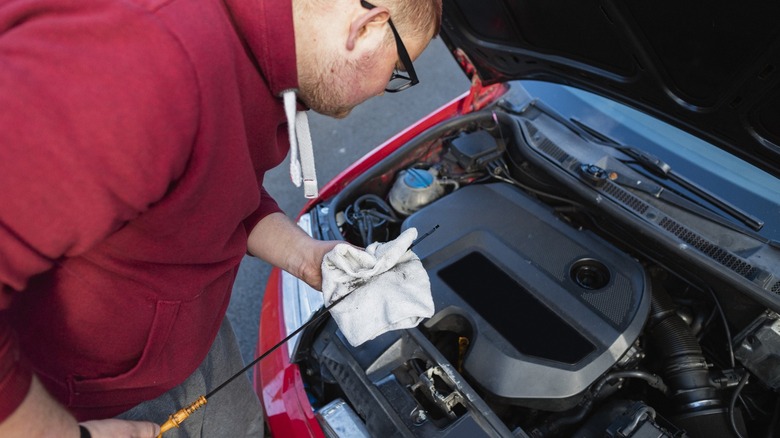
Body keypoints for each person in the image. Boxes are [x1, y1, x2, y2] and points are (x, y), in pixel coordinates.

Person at [0, 0, 442, 435]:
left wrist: (308, 258)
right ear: (367, 26)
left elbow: (217, 192)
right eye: (399, 70)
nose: (388, 85)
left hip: (194, 345)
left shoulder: (258, 60)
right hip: (94, 398)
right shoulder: (143, 60)